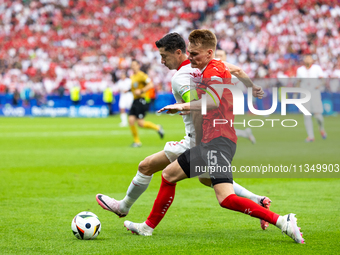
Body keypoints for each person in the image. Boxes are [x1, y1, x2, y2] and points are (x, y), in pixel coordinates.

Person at [122, 30, 304, 244]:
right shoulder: (215, 65)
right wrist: (251, 86)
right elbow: (237, 69)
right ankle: (281, 219)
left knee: (175, 177)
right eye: (189, 53)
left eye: (195, 54)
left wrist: (181, 105)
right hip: (221, 139)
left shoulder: (213, 70)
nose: (190, 58)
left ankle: (147, 227)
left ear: (209, 53)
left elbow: (213, 101)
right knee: (217, 193)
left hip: (216, 140)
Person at [96, 32, 271, 232]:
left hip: (198, 140)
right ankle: (257, 200)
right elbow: (238, 70)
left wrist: (197, 144)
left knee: (147, 167)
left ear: (179, 52)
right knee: (208, 179)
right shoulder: (206, 64)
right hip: (218, 134)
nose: (161, 61)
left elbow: (199, 107)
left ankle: (125, 209)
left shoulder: (181, 77)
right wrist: (254, 87)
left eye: (164, 56)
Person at [215, 49, 256, 144]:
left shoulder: (231, 73)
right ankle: (245, 133)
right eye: (217, 55)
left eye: (221, 55)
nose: (219, 57)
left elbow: (241, 90)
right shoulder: (212, 71)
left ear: (226, 57)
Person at [128, 60, 164, 147]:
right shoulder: (132, 76)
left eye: (134, 65)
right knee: (131, 120)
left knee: (140, 123)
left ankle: (157, 127)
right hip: (135, 100)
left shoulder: (142, 75)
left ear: (138, 66)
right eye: (132, 65)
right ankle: (137, 142)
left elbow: (151, 84)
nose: (133, 67)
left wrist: (141, 90)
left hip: (141, 100)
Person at [296, 54, 327, 142]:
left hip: (314, 94)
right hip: (304, 95)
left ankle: (321, 128)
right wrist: (295, 94)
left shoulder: (317, 68)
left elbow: (323, 80)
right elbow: (298, 82)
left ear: (312, 60)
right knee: (307, 115)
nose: (308, 59)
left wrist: (319, 85)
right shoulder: (300, 70)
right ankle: (311, 136)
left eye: (309, 58)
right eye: (306, 58)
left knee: (318, 116)